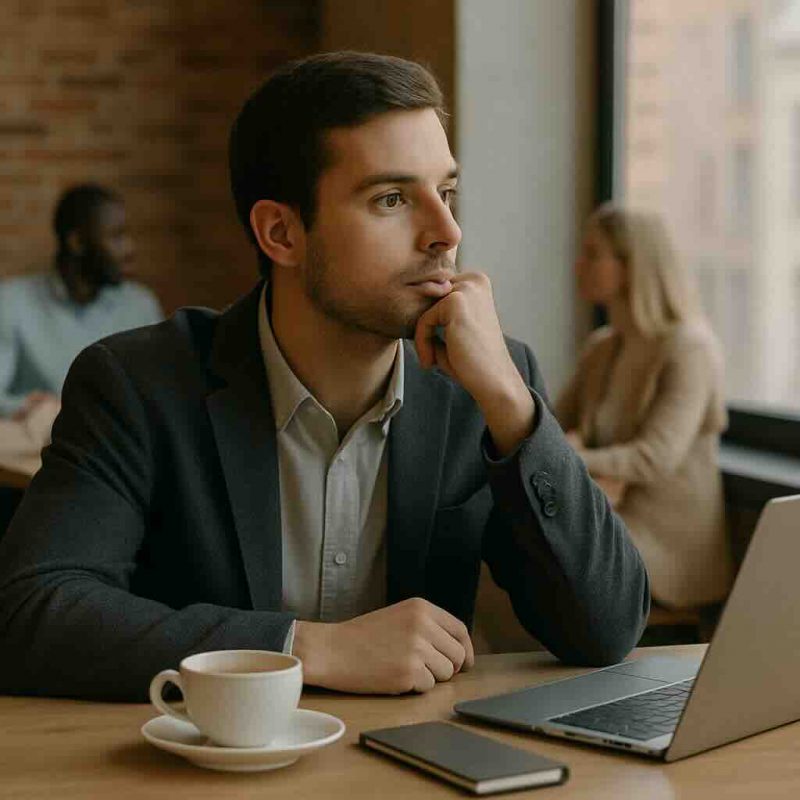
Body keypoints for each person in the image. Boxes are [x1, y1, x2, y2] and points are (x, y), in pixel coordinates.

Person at [0, 52, 648, 701]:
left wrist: (512, 403)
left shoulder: (487, 385)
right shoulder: (136, 385)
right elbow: (31, 612)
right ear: (281, 232)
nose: (447, 231)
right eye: (392, 198)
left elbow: (607, 630)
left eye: (445, 192)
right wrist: (304, 647)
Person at [557, 204, 734, 612]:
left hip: (667, 548)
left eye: (592, 253)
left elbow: (655, 458)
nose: (578, 264)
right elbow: (547, 427)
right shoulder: (602, 347)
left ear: (632, 264)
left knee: (528, 559)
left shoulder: (690, 348)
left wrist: (572, 458)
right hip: (608, 516)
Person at [0, 183, 163, 426]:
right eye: (117, 236)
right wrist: (34, 408)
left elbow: (160, 396)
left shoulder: (141, 305)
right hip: (39, 452)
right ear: (77, 242)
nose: (130, 249)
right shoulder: (12, 301)